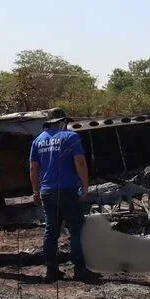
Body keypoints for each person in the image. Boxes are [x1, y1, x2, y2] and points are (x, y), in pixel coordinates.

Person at [29, 115, 99, 282]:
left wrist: (35, 191)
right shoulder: (71, 137)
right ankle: (80, 270)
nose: (67, 125)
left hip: (47, 192)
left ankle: (51, 271)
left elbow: (33, 168)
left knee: (51, 231)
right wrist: (85, 185)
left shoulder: (37, 141)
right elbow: (80, 162)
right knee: (76, 230)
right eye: (66, 122)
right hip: (68, 190)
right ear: (60, 122)